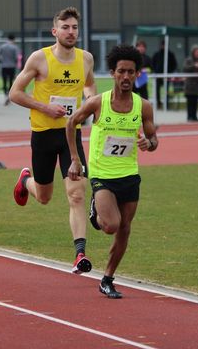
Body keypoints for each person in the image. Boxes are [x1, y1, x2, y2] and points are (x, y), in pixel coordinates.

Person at [66, 44, 159, 299]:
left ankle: (107, 278)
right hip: (102, 175)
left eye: (131, 72)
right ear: (113, 74)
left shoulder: (143, 107)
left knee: (125, 229)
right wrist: (75, 159)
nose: (126, 77)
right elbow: (71, 122)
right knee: (110, 226)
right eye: (121, 72)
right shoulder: (98, 102)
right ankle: (96, 212)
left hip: (129, 174)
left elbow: (153, 140)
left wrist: (147, 144)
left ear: (137, 74)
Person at [9, 6, 97, 274]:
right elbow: (15, 93)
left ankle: (80, 254)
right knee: (45, 197)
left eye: (74, 28)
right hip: (43, 134)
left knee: (77, 194)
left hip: (71, 134)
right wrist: (45, 107)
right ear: (55, 31)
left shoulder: (86, 59)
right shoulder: (39, 59)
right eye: (66, 27)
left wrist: (91, 102)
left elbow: (90, 86)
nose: (71, 32)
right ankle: (26, 180)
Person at [152, 40, 178, 108]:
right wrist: (155, 71)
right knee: (157, 90)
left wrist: (170, 72)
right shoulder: (157, 54)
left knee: (166, 91)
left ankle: (166, 104)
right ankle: (158, 103)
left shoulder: (170, 54)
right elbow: (153, 63)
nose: (164, 47)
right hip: (158, 76)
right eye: (163, 45)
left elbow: (174, 64)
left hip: (167, 76)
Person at [182, 44, 198, 122]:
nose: (197, 53)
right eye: (196, 51)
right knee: (190, 101)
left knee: (196, 101)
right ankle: (189, 117)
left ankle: (195, 116)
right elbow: (185, 68)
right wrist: (194, 66)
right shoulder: (188, 60)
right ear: (193, 52)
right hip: (189, 85)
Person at [0, 34, 19, 105]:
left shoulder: (2, 46)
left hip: (4, 66)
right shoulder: (15, 47)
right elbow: (17, 57)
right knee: (11, 81)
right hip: (12, 66)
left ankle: (5, 96)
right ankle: (9, 97)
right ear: (14, 39)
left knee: (4, 81)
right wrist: (14, 62)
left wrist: (2, 61)